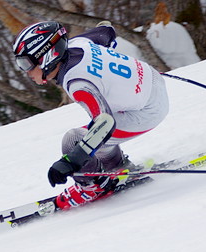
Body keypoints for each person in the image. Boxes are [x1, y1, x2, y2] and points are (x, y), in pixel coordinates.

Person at [12, 20, 169, 210]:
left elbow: (105, 122)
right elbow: (106, 30)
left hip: (147, 110)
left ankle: (91, 187)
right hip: (151, 79)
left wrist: (71, 161)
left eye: (26, 63)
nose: (26, 72)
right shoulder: (78, 44)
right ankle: (117, 168)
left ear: (47, 56)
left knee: (74, 140)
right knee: (92, 137)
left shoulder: (77, 82)